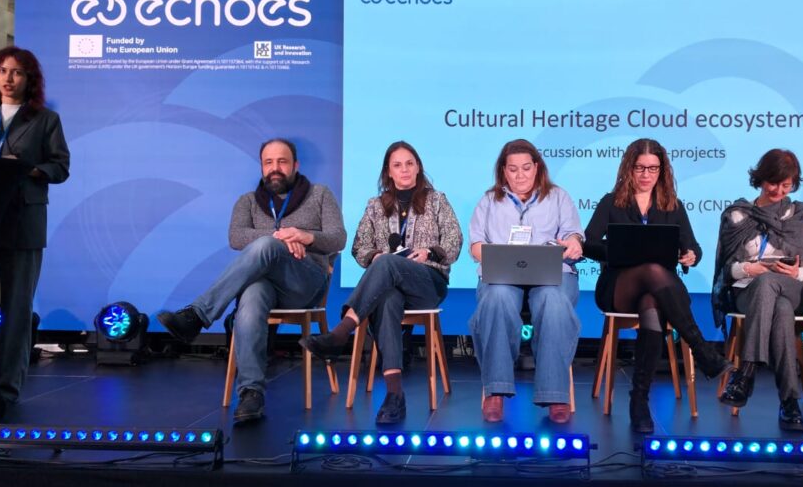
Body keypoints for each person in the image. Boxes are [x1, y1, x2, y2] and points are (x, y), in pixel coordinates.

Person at [157, 138, 346, 424]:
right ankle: (251, 394)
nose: (275, 169)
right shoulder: (247, 201)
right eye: (269, 163)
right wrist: (280, 239)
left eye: (282, 162)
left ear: (295, 165)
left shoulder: (320, 195)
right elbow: (236, 237)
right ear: (262, 167)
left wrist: (306, 237)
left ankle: (198, 314)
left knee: (265, 247)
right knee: (252, 295)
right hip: (267, 286)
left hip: (305, 282)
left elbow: (339, 238)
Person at [303, 141, 462, 424]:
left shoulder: (437, 200)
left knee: (389, 262)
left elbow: (454, 242)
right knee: (387, 298)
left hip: (427, 282)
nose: (404, 170)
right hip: (390, 287)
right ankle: (394, 396)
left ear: (418, 167)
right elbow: (359, 246)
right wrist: (375, 255)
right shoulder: (375, 206)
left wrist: (429, 252)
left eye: (409, 163)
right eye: (397, 165)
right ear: (388, 172)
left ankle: (342, 331)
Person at [584, 138, 731, 433]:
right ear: (629, 168)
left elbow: (693, 248)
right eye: (640, 168)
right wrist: (618, 249)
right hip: (618, 286)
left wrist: (691, 256)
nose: (646, 174)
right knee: (652, 270)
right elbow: (588, 244)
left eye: (653, 168)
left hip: (660, 292)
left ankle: (639, 401)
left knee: (651, 305)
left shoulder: (672, 206)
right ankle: (702, 349)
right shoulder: (610, 202)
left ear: (662, 170)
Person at [0, 46, 70, 404]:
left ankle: (7, 389)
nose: (8, 78)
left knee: (17, 310)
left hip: (23, 221)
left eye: (17, 72)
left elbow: (60, 167)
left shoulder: (44, 119)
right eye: (3, 71)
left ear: (29, 80)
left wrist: (27, 168)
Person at [468, 139, 583, 424]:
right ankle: (495, 391)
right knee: (496, 299)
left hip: (552, 275)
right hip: (503, 276)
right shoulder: (488, 201)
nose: (520, 175)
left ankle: (555, 393)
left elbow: (574, 236)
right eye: (513, 169)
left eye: (526, 168)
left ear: (537, 168)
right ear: (503, 172)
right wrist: (497, 254)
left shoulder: (558, 197)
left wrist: (574, 243)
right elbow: (475, 246)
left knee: (553, 302)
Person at [711, 149, 803, 432]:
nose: (779, 190)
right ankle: (789, 402)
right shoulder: (738, 215)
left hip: (793, 286)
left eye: (787, 185)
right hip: (748, 290)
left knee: (773, 285)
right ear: (760, 179)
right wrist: (751, 269)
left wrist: (795, 272)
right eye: (774, 183)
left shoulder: (798, 214)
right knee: (779, 307)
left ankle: (746, 372)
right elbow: (729, 270)